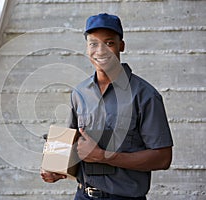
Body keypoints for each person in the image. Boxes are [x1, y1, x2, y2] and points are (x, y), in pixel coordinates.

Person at [41, 13, 173, 200]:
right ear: (87, 48)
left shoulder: (145, 95)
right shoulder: (79, 93)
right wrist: (54, 168)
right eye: (93, 43)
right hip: (83, 195)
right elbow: (71, 145)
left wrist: (104, 156)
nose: (100, 51)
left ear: (121, 45)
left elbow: (163, 158)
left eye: (109, 43)